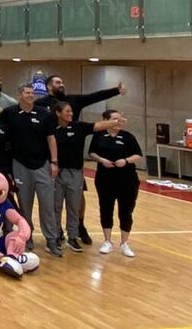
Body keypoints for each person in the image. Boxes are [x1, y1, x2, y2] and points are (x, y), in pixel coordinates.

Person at [37, 75, 127, 244]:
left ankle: (79, 226)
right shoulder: (40, 104)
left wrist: (116, 91)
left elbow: (94, 97)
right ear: (49, 86)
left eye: (62, 81)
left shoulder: (73, 102)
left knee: (77, 198)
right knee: (55, 202)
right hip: (54, 161)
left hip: (74, 157)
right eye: (57, 82)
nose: (61, 84)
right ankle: (55, 233)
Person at [0, 84, 61, 257]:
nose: (30, 95)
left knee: (47, 205)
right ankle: (27, 238)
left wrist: (54, 162)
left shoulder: (44, 114)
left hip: (42, 164)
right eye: (27, 93)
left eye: (32, 93)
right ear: (19, 95)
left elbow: (51, 139)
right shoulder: (9, 113)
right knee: (24, 206)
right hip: (19, 164)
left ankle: (51, 240)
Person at [52, 101, 121, 252]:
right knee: (55, 206)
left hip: (75, 172)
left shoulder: (79, 127)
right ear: (58, 113)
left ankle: (72, 237)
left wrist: (114, 121)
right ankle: (55, 236)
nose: (70, 114)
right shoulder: (51, 128)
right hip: (56, 172)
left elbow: (97, 126)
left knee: (74, 206)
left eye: (71, 111)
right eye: (67, 111)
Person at [89, 109, 143, 257]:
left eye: (120, 119)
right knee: (106, 208)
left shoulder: (128, 137)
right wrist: (101, 160)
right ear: (106, 120)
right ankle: (107, 241)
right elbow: (91, 152)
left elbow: (138, 155)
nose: (119, 121)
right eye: (115, 119)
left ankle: (124, 243)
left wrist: (125, 161)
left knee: (126, 211)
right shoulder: (99, 135)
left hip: (127, 180)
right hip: (105, 179)